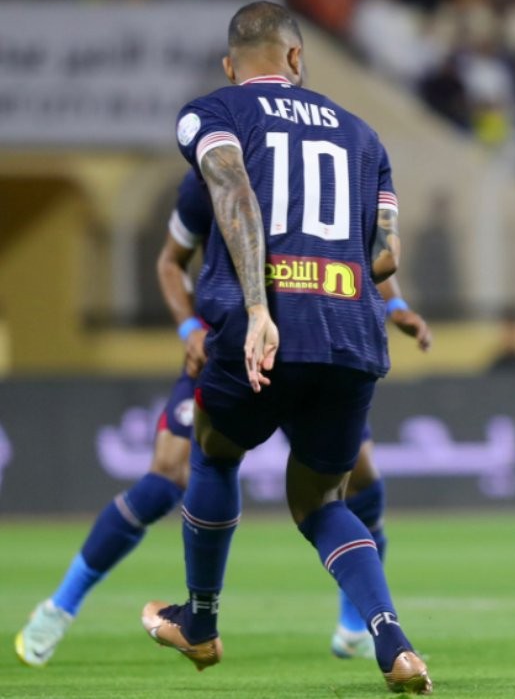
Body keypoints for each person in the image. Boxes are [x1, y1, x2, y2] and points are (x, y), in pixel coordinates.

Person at [13, 170, 431, 669]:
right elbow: (171, 262)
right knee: (165, 479)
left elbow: (362, 250)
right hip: (228, 353)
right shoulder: (210, 178)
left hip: (304, 344)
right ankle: (59, 608)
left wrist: (396, 303)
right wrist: (189, 328)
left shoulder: (306, 168)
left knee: (362, 483)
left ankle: (352, 628)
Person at [141, 2, 432, 693]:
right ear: (297, 58)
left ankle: (201, 621)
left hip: (263, 323)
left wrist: (257, 306)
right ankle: (394, 643)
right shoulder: (364, 135)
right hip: (351, 332)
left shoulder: (213, 112)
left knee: (215, 449)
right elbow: (386, 255)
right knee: (321, 500)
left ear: (229, 65)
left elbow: (232, 190)